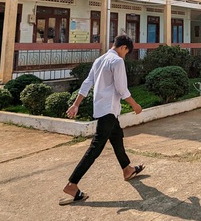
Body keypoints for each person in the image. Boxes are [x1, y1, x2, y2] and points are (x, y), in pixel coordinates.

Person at [59, 35, 144, 206]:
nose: (125, 56)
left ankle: (127, 169)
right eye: (126, 52)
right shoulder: (117, 61)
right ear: (124, 48)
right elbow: (121, 88)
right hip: (109, 110)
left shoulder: (99, 60)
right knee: (95, 148)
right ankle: (72, 185)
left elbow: (87, 82)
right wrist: (135, 105)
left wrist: (76, 104)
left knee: (117, 137)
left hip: (103, 109)